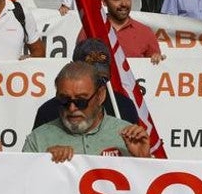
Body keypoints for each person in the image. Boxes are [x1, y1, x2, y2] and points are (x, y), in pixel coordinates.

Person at [23, 61, 153, 162]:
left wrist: (143, 159)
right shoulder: (37, 140)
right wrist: (43, 162)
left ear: (100, 96)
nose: (72, 108)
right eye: (64, 100)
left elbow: (151, 190)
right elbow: (20, 188)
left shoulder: (129, 136)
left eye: (81, 101)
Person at [32, 39, 139, 128]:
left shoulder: (124, 107)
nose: (97, 82)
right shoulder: (49, 112)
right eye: (89, 75)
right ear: (72, 66)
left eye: (102, 78)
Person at [77, 0, 162, 61]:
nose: (124, 4)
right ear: (104, 2)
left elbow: (154, 69)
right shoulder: (90, 29)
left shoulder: (145, 32)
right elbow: (78, 64)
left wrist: (157, 59)